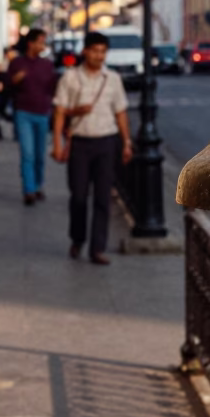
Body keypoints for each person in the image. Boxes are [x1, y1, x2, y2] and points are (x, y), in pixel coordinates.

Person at [52, 32, 133, 265]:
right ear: (85, 51)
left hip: (106, 142)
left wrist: (126, 142)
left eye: (103, 52)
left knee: (102, 197)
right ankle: (77, 238)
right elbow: (59, 112)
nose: (99, 56)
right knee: (78, 195)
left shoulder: (113, 79)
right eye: (95, 51)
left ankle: (98, 247)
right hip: (79, 142)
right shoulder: (70, 78)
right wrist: (58, 144)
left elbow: (120, 111)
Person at [7, 28, 57, 205]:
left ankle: (37, 185)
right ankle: (29, 190)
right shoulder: (17, 64)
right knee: (27, 153)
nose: (42, 46)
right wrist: (15, 80)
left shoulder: (47, 65)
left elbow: (53, 89)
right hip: (23, 112)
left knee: (39, 154)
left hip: (42, 112)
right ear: (31, 43)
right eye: (40, 42)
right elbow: (7, 87)